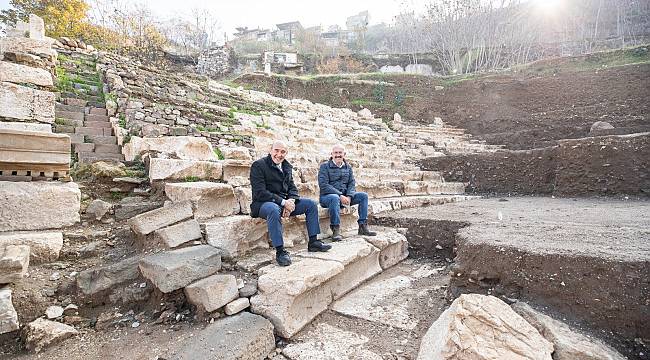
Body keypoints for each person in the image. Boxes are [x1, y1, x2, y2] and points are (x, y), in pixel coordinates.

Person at [250, 140, 331, 266]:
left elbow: (292, 188)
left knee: (310, 204)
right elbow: (260, 192)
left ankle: (313, 242)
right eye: (276, 150)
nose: (279, 154)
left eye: (283, 152)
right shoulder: (258, 165)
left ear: (286, 153)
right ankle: (280, 251)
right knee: (273, 209)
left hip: (283, 203)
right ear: (270, 150)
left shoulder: (286, 166)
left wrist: (291, 202)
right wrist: (283, 202)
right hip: (263, 203)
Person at [318, 144, 377, 241]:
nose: (338, 155)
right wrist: (340, 195)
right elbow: (324, 185)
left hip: (345, 197)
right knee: (334, 197)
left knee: (363, 196)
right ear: (331, 154)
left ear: (344, 154)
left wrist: (349, 196)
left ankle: (362, 226)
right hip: (327, 198)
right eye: (336, 153)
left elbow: (351, 183)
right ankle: (335, 230)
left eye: (340, 153)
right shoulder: (324, 167)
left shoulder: (348, 167)